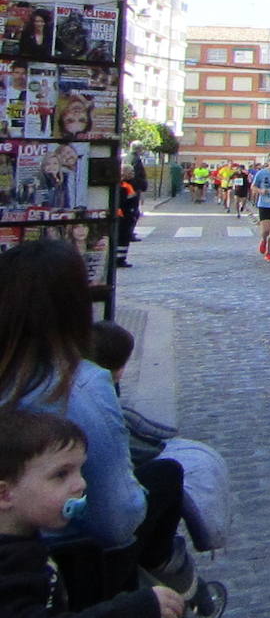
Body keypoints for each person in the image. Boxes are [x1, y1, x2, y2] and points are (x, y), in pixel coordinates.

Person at [0, 241, 201, 607]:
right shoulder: (80, 384)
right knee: (167, 475)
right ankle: (180, 589)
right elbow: (115, 519)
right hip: (67, 555)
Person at [0, 410, 186, 618]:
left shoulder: (23, 539)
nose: (81, 483)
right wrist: (132, 610)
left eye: (79, 471)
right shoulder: (8, 567)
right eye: (61, 474)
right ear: (5, 494)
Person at [115, 167, 139, 269]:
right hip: (124, 215)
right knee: (123, 238)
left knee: (125, 238)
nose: (133, 173)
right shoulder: (125, 185)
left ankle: (121, 258)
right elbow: (125, 200)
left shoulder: (130, 183)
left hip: (128, 214)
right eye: (131, 172)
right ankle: (119, 260)